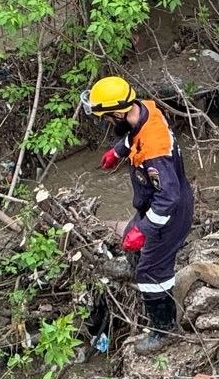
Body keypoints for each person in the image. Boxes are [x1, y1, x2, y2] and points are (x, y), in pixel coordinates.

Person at [83, 76, 195, 354]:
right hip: (154, 205)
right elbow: (133, 135)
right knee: (131, 242)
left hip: (169, 212)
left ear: (119, 112)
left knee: (151, 272)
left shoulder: (155, 150)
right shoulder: (144, 109)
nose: (107, 122)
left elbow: (169, 197)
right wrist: (118, 151)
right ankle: (138, 267)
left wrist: (145, 229)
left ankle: (164, 330)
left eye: (107, 118)